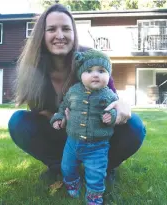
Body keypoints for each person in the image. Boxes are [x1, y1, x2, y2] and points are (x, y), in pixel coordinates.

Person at [8, 2, 146, 193]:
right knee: (18, 122)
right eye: (51, 29)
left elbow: (112, 98)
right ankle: (58, 167)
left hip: (96, 134)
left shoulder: (90, 59)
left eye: (66, 28)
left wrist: (121, 104)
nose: (60, 35)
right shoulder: (33, 70)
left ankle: (103, 167)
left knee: (135, 126)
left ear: (74, 33)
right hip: (61, 132)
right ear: (42, 35)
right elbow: (39, 112)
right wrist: (64, 119)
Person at [50, 49, 118, 204]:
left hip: (98, 146)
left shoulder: (109, 95)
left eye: (101, 71)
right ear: (80, 74)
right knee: (67, 167)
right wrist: (58, 118)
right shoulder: (73, 91)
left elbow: (116, 110)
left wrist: (112, 116)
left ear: (109, 75)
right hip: (72, 142)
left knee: (96, 173)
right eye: (89, 71)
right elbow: (63, 107)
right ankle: (72, 182)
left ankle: (94, 196)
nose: (95, 75)